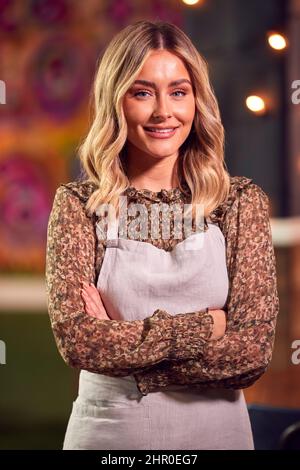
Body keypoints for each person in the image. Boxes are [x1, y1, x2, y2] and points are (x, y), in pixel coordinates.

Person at [45, 20, 279, 450]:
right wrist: (209, 325)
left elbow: (253, 353)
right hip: (110, 438)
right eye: (142, 92)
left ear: (197, 100)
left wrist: (134, 359)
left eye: (178, 91)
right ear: (116, 102)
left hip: (218, 437)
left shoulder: (240, 202)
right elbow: (81, 343)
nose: (162, 112)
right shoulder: (79, 205)